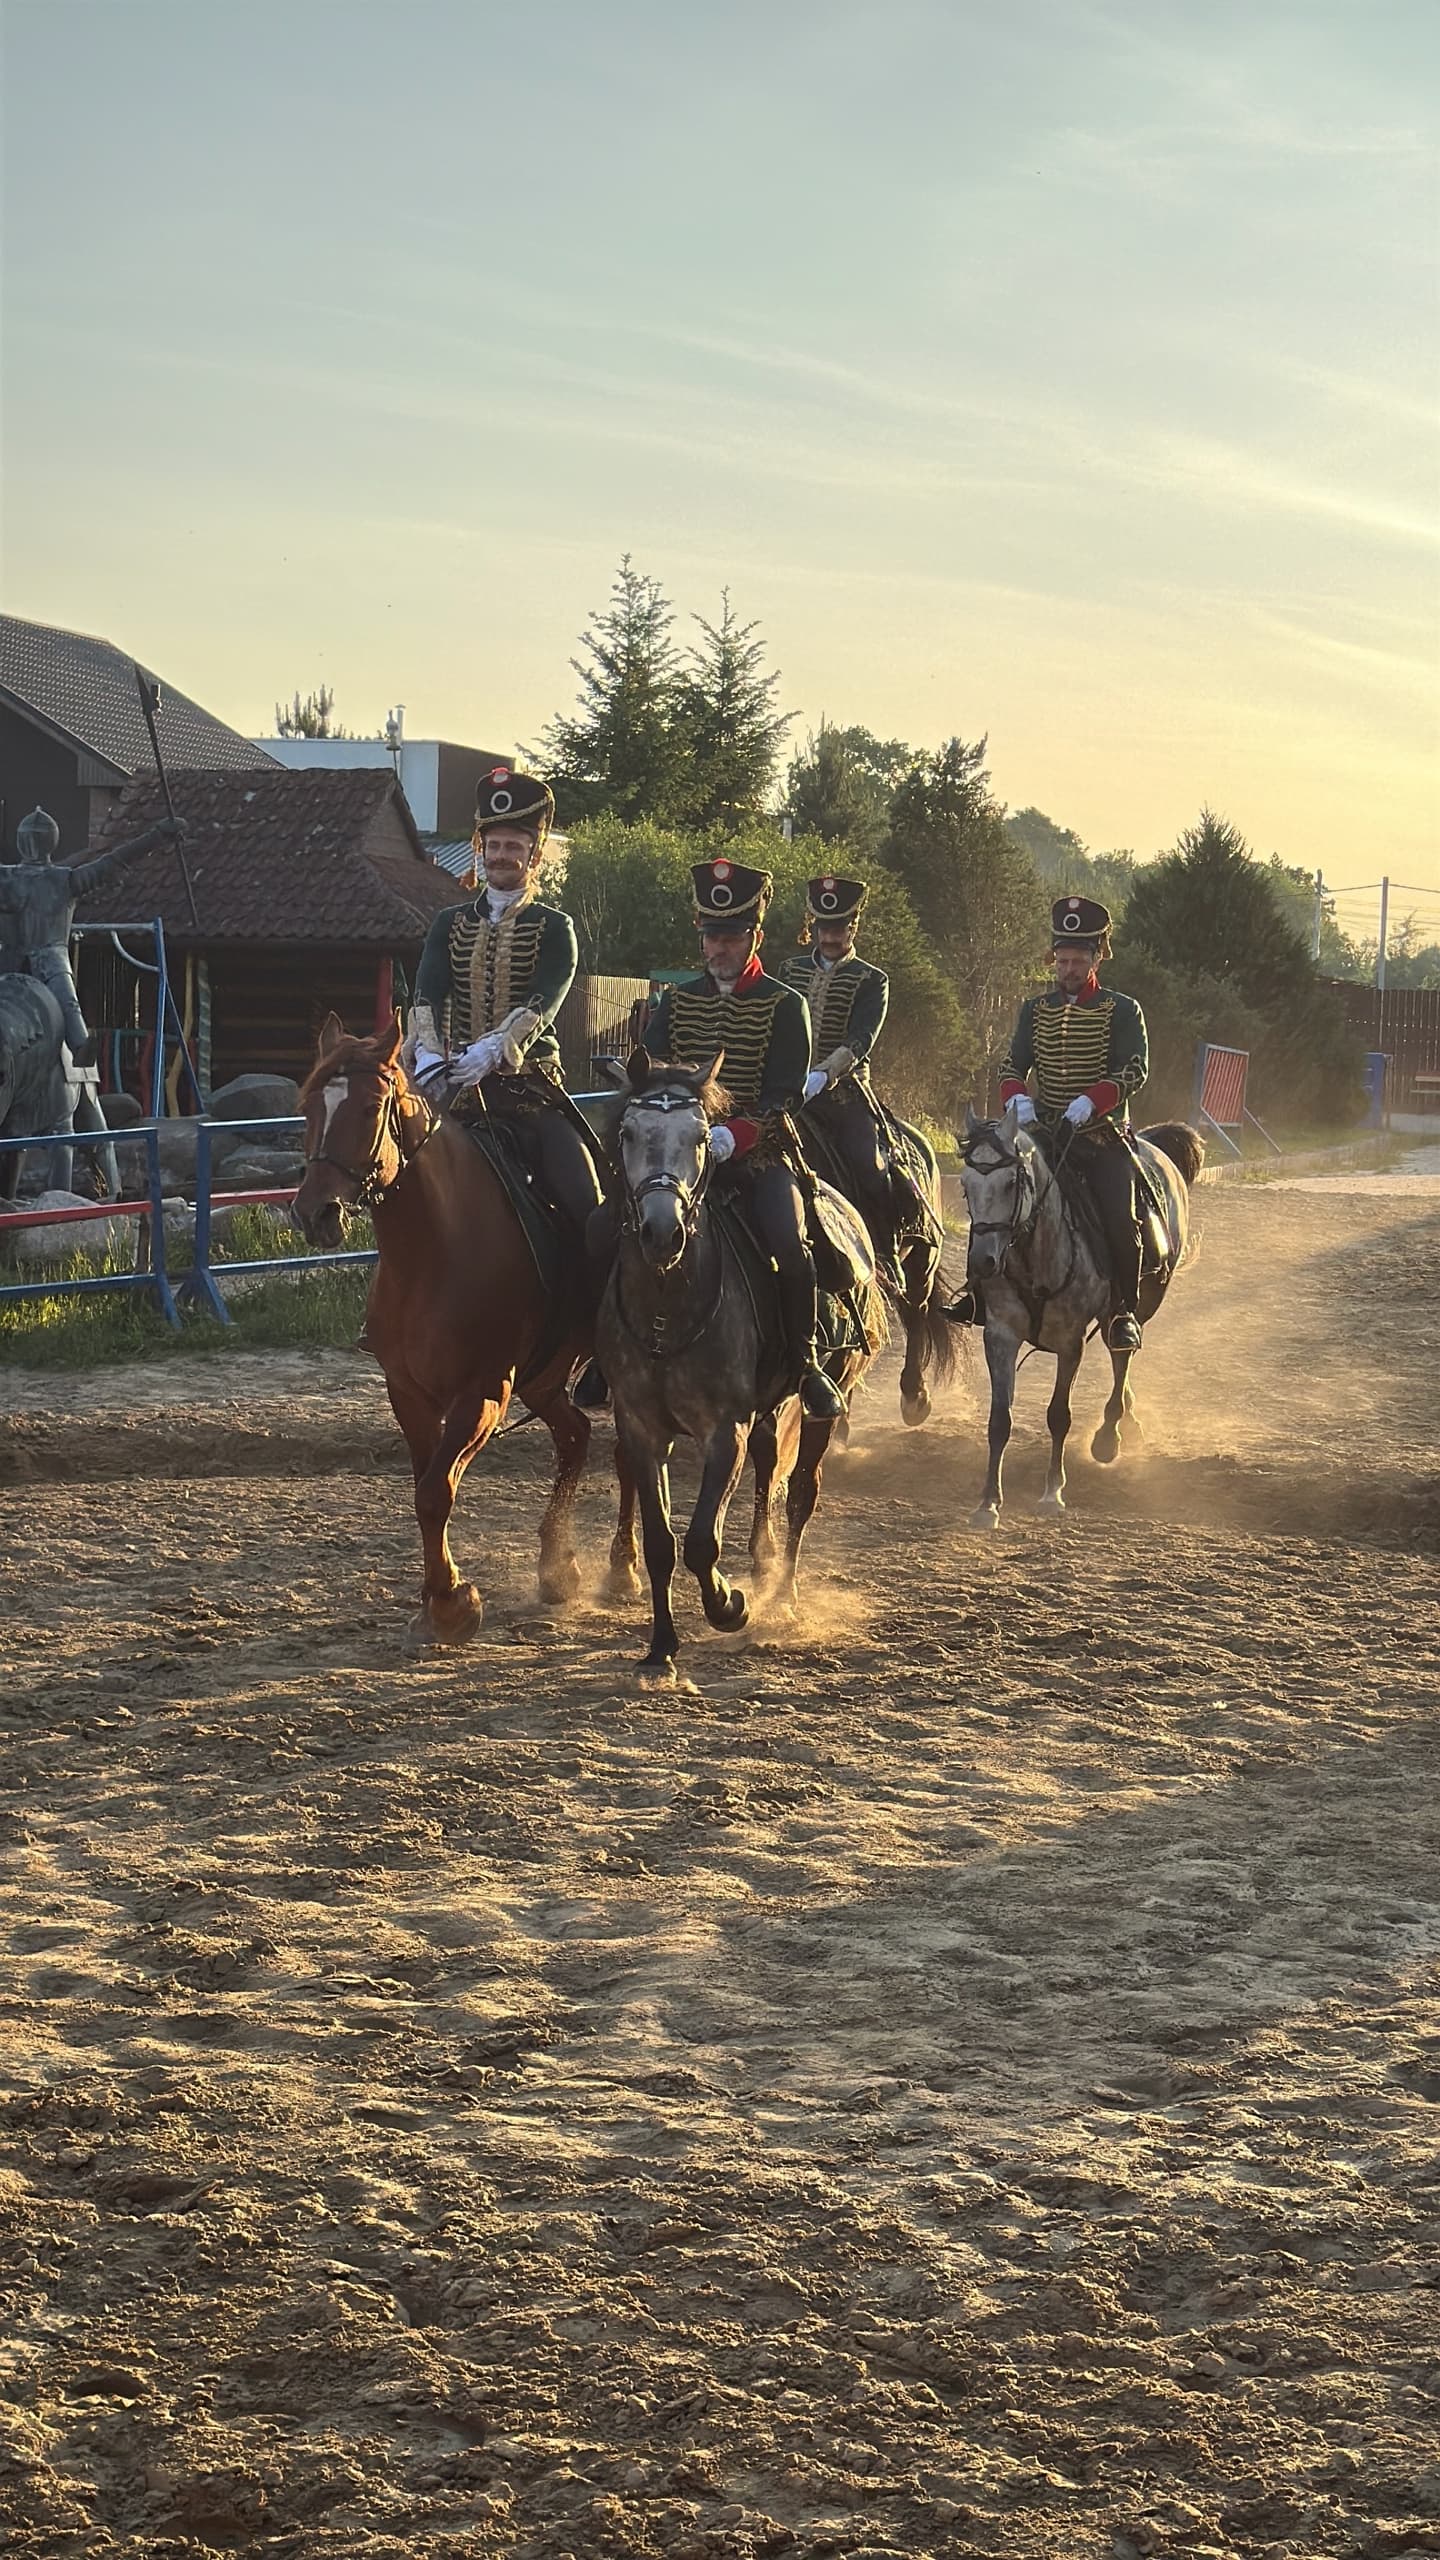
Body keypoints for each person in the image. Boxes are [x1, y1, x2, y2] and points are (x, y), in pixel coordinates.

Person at [632, 858, 844, 1420]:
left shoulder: (784, 1004)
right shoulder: (677, 1001)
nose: (719, 948)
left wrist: (736, 1133)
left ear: (755, 938)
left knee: (789, 1244)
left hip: (756, 1152)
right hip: (678, 1152)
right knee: (608, 1226)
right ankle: (604, 1357)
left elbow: (786, 1095)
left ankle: (805, 1362)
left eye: (730, 937)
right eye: (711, 937)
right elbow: (651, 1073)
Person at [407, 765, 604, 1239]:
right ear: (480, 849)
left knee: (587, 1203)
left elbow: (543, 1001)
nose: (501, 856)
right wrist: (429, 1052)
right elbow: (426, 989)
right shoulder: (448, 922)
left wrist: (495, 1048)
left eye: (513, 847)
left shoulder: (554, 928)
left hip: (527, 1087)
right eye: (493, 845)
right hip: (454, 1081)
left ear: (534, 855)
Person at [953, 894, 1150, 1350]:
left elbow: (1134, 1069)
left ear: (1096, 959)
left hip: (1098, 1136)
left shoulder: (1122, 1010)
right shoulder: (1034, 1010)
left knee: (1122, 1219)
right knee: (994, 1197)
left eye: (1078, 960)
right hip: (1042, 1132)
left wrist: (1092, 1102)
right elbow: (1011, 1065)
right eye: (1062, 960)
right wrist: (1017, 1098)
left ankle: (1123, 1311)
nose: (1069, 969)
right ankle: (978, 1294)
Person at [780, 870, 910, 1266]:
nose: (830, 937)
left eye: (838, 928)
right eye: (824, 928)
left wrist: (824, 1073)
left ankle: (887, 1254)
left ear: (854, 927)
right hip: (787, 1093)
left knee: (869, 1167)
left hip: (844, 1096)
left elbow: (861, 1038)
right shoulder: (789, 972)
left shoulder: (872, 979)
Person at [0, 805, 186, 1065]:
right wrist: (157, 836)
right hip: (48, 960)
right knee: (68, 1004)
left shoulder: (8, 878)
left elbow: (111, 863)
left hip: (18, 961)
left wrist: (157, 836)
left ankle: (80, 1046)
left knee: (68, 1001)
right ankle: (79, 1043)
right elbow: (112, 862)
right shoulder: (65, 880)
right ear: (52, 841)